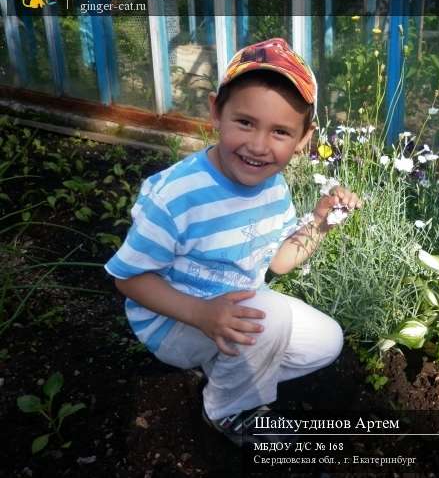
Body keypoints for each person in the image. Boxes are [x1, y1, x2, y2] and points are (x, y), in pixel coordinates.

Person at [104, 38, 361, 446]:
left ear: (303, 138)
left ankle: (229, 370)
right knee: (269, 314)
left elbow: (278, 262)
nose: (258, 146)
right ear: (216, 113)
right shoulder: (178, 195)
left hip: (236, 317)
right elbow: (129, 280)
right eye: (245, 122)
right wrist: (202, 314)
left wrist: (319, 222)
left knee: (325, 342)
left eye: (280, 132)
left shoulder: (273, 189)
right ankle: (227, 410)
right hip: (174, 321)